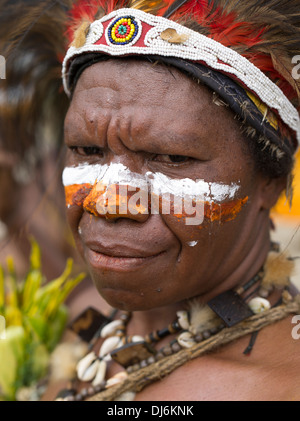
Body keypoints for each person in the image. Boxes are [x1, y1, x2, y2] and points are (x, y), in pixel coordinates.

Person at [6, 0, 300, 401]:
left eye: (173, 158)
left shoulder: (277, 386)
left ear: (270, 178)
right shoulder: (84, 314)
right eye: (88, 150)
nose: (108, 202)